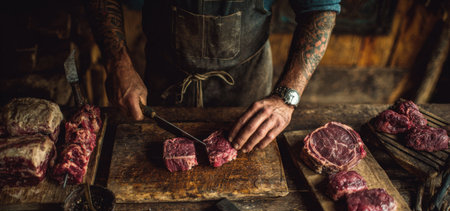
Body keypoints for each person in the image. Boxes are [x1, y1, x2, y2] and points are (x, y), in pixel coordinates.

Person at [85, 0, 340, 153]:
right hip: (164, 83)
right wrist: (117, 62)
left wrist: (286, 97)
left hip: (249, 90)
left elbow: (320, 8)